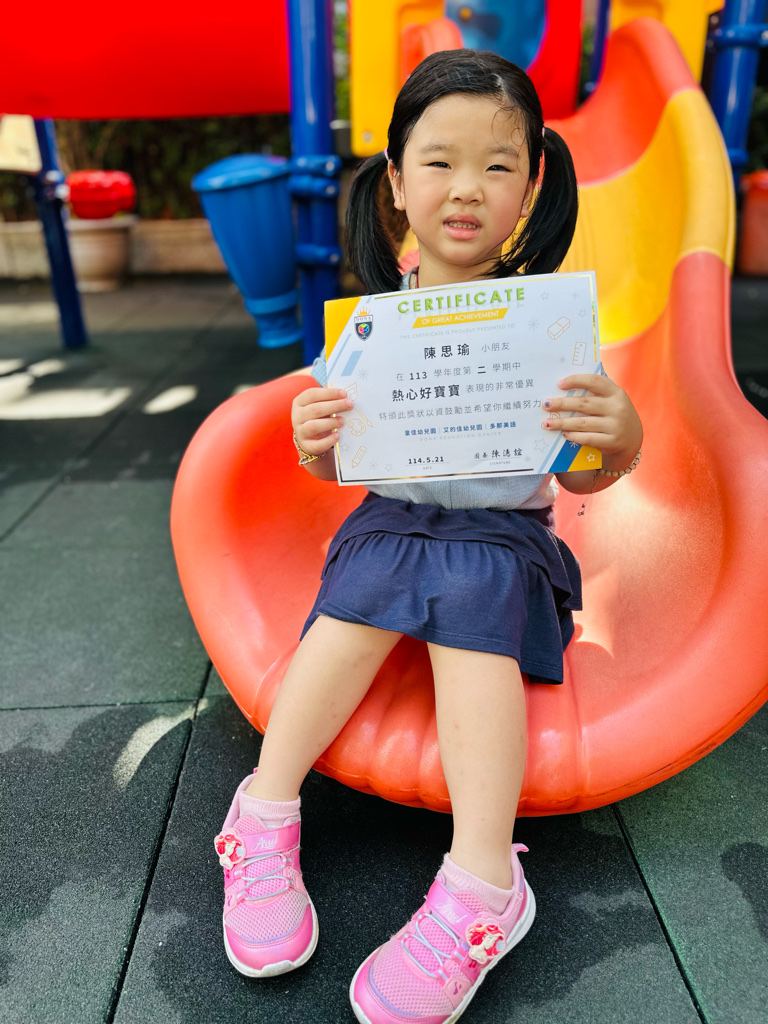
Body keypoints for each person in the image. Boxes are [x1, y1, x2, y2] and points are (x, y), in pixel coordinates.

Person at [213, 49, 643, 1023]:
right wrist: (315, 441)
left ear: (532, 184)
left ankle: (484, 878)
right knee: (353, 603)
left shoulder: (547, 325)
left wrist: (618, 440)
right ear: (398, 183)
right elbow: (337, 464)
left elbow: (581, 472)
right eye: (440, 162)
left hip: (502, 540)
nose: (467, 187)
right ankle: (264, 810)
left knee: (473, 603)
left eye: (498, 165)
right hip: (393, 524)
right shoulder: (372, 328)